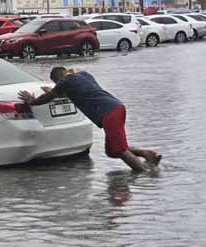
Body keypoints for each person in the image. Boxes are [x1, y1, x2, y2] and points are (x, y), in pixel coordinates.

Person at [18, 67, 162, 171]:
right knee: (111, 151)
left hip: (109, 113)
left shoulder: (65, 81)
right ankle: (146, 154)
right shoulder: (83, 74)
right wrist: (56, 93)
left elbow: (46, 98)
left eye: (57, 83)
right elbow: (81, 92)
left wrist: (31, 100)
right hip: (117, 107)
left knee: (120, 151)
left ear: (57, 80)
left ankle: (145, 172)